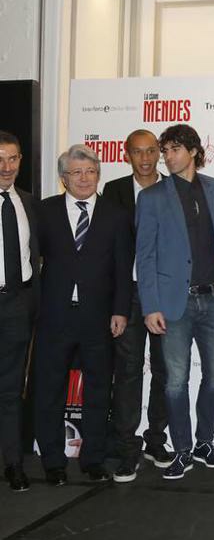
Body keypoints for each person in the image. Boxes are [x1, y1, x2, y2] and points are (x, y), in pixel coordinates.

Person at [33, 144, 133, 485]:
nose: (84, 178)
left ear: (98, 175)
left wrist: (120, 310)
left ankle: (93, 459)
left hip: (99, 317)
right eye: (76, 172)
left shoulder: (116, 214)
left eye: (90, 171)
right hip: (54, 316)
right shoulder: (44, 211)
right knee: (49, 390)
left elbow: (123, 269)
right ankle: (52, 462)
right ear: (64, 178)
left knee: (98, 390)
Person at [136, 123, 214, 480]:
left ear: (193, 152)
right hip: (174, 304)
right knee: (175, 381)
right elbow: (145, 257)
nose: (168, 157)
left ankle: (204, 441)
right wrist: (150, 306)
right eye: (166, 150)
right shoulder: (152, 197)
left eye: (175, 149)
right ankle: (183, 449)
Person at [101, 129, 172, 482]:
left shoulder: (173, 189)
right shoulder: (113, 191)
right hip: (126, 294)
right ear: (126, 154)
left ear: (159, 153)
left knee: (165, 371)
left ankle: (156, 440)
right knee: (127, 372)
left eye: (151, 151)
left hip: (164, 294)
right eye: (137, 152)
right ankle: (127, 449)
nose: (145, 159)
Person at [0, 131, 38, 491]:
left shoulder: (27, 202)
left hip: (16, 304)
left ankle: (13, 464)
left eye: (13, 158)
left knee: (11, 389)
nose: (6, 166)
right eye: (0, 159)